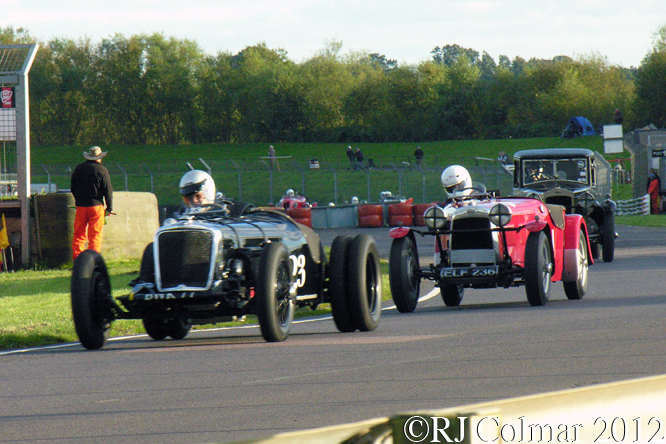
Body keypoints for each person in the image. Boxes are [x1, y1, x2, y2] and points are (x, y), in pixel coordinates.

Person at [70, 146, 114, 261]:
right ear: (99, 158)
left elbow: (72, 187)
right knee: (94, 235)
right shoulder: (102, 170)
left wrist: (78, 200)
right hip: (96, 206)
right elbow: (108, 191)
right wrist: (109, 208)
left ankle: (78, 261)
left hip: (80, 206)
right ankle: (92, 261)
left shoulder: (79, 168)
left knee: (79, 235)